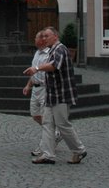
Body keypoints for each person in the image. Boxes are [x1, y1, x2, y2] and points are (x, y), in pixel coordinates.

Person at [24, 26, 88, 165]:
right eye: (43, 36)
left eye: (47, 36)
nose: (44, 38)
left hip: (61, 94)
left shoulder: (60, 48)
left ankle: (79, 150)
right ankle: (48, 154)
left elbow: (54, 65)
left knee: (62, 124)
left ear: (55, 37)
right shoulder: (53, 49)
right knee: (47, 123)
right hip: (51, 94)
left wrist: (37, 68)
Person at [23, 29, 60, 164]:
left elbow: (49, 69)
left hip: (45, 88)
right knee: (35, 115)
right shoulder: (37, 53)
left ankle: (45, 148)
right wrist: (28, 85)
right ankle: (54, 134)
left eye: (37, 38)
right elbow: (34, 71)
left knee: (46, 121)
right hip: (36, 88)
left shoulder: (49, 53)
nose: (35, 40)